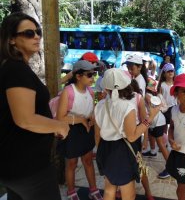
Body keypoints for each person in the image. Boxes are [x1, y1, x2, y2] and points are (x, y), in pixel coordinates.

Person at [0, 12, 69, 200]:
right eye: (29, 33)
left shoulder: (13, 68)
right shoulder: (16, 70)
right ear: (12, 39)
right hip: (29, 168)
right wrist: (59, 125)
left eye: (38, 32)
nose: (37, 36)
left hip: (17, 165)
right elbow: (25, 119)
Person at [94, 68, 160, 200]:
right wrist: (150, 118)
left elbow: (97, 136)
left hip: (105, 149)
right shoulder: (127, 107)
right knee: (128, 193)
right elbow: (132, 136)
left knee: (109, 190)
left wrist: (102, 153)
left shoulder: (100, 105)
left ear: (106, 88)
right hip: (123, 151)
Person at [56, 60, 102, 200]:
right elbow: (60, 117)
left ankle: (93, 189)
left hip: (85, 129)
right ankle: (71, 191)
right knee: (72, 163)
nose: (93, 78)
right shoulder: (68, 92)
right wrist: (81, 119)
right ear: (78, 76)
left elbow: (91, 109)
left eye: (94, 74)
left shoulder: (89, 90)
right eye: (89, 75)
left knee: (88, 160)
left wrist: (92, 117)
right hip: (71, 130)